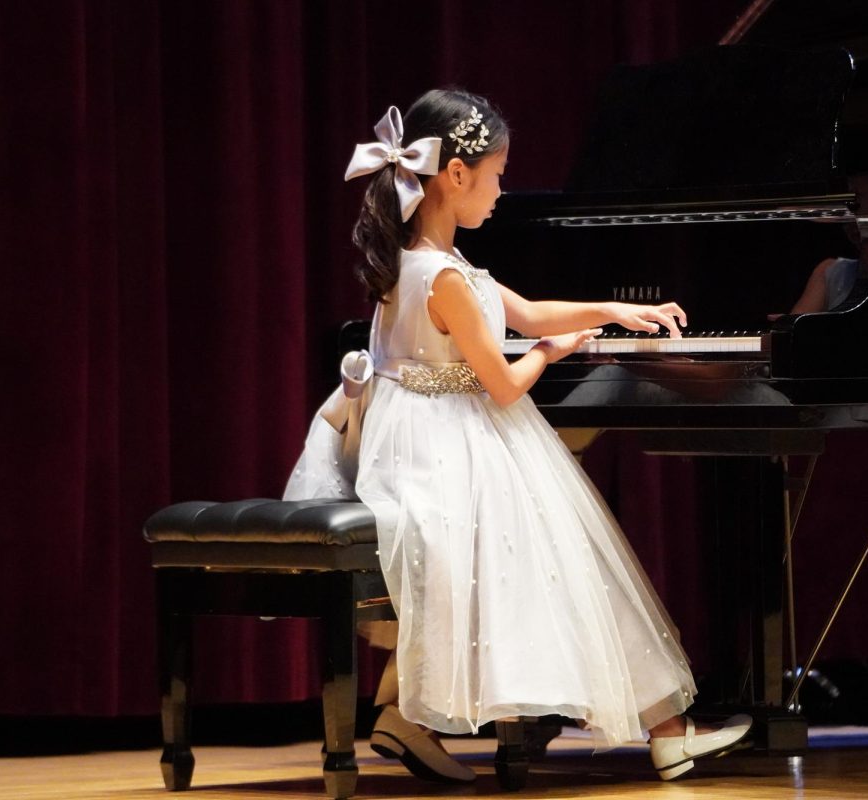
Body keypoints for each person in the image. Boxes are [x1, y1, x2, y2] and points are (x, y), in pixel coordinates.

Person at [284, 88, 751, 783]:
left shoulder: (433, 262)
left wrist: (618, 309)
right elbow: (504, 381)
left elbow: (527, 312)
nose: (503, 191)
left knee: (558, 558)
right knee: (562, 560)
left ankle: (407, 721)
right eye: (498, 175)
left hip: (440, 434)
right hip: (448, 445)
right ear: (456, 175)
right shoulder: (441, 276)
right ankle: (666, 729)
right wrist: (555, 354)